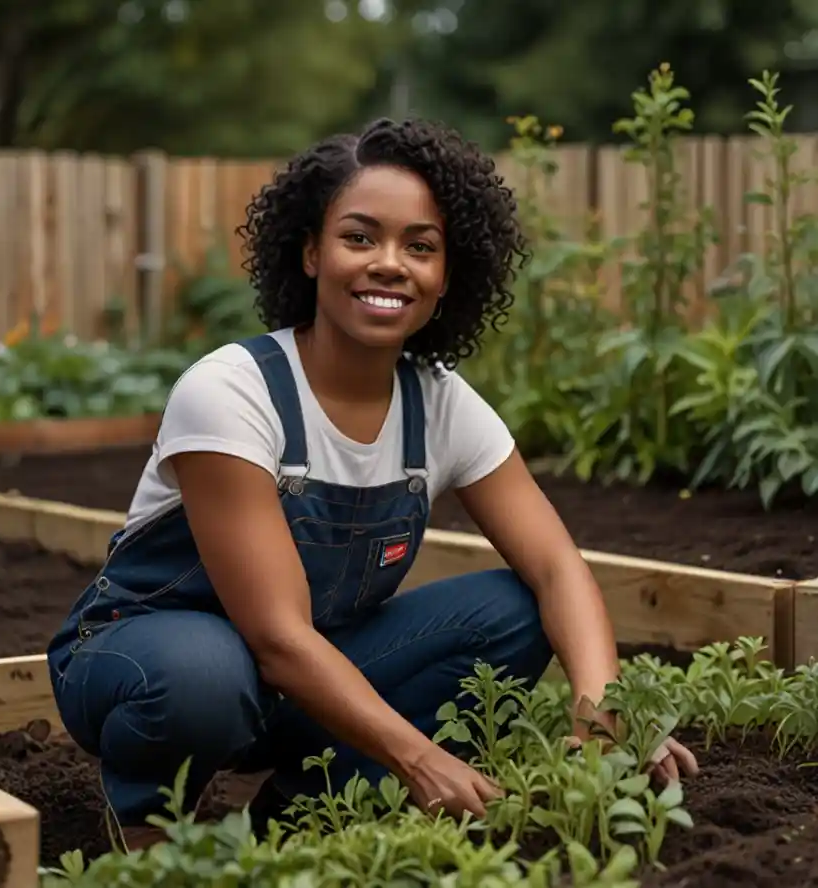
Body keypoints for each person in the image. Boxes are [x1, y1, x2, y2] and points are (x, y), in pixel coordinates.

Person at [46, 117, 698, 852]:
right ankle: (144, 826)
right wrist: (423, 761)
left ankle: (300, 807)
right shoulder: (233, 391)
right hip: (146, 659)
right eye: (360, 238)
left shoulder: (440, 403)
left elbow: (557, 567)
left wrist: (602, 720)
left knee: (514, 610)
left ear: (448, 275)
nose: (391, 264)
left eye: (420, 247)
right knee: (203, 673)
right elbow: (276, 635)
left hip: (301, 681)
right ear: (311, 253)